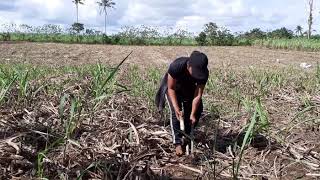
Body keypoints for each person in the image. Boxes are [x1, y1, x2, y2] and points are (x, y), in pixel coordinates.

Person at [155, 51, 209, 156]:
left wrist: (193, 113)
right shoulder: (177, 66)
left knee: (196, 112)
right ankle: (177, 142)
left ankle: (187, 135)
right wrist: (176, 107)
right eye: (195, 72)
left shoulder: (203, 73)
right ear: (188, 65)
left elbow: (197, 95)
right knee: (176, 114)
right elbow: (170, 89)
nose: (197, 75)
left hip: (189, 89)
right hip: (174, 88)